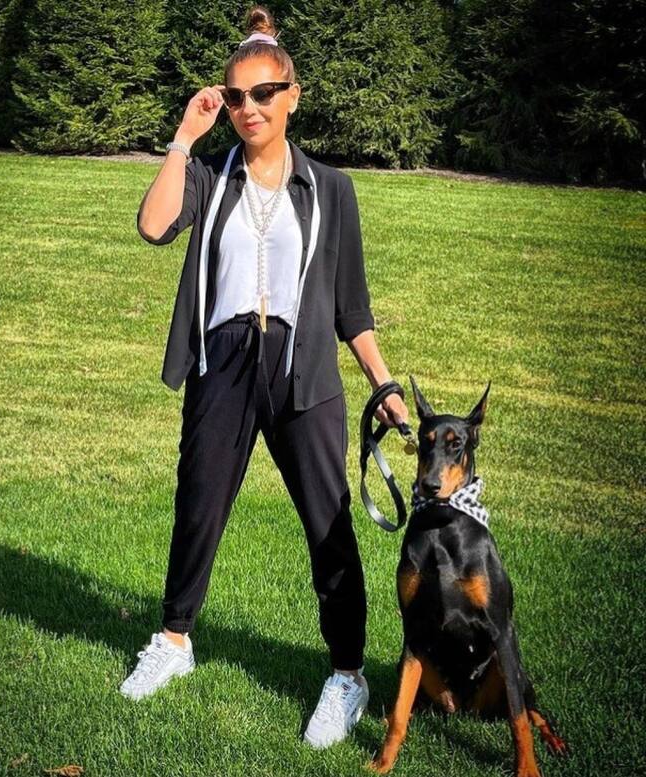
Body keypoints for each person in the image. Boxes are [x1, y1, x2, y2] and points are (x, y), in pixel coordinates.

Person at [121, 5, 409, 750]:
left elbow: (351, 307)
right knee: (198, 506)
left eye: (264, 93)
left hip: (301, 369)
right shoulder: (210, 176)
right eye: (236, 96)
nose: (249, 108)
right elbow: (152, 226)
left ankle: (347, 674)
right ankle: (174, 642)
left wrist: (382, 383)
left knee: (328, 525)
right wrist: (184, 138)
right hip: (222, 364)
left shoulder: (331, 189)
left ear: (292, 95)